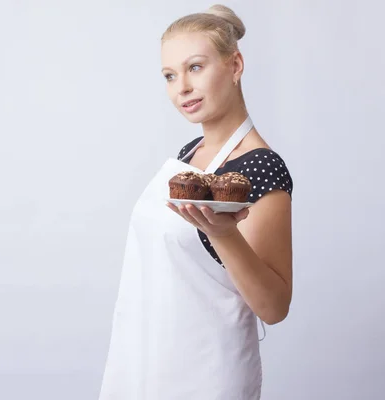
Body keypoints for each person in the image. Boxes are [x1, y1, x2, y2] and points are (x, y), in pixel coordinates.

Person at [99, 5, 293, 399]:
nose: (181, 87)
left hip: (205, 373)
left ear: (235, 65)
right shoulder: (189, 153)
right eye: (170, 76)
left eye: (196, 67)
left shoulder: (260, 167)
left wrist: (222, 234)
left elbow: (274, 306)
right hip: (147, 360)